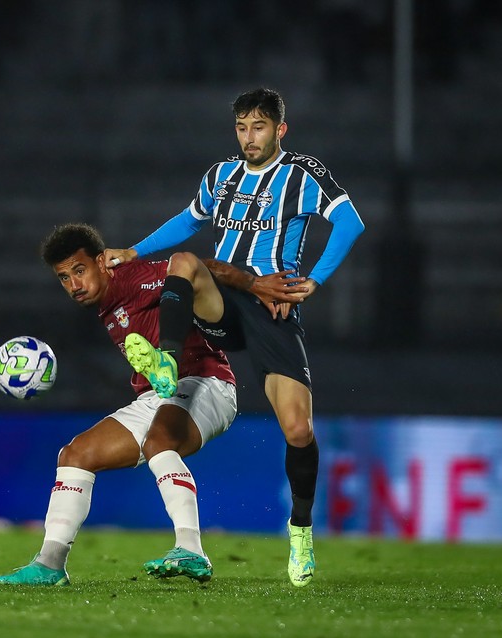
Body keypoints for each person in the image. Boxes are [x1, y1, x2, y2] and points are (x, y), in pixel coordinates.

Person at [105, 87, 366, 587]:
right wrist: (134, 251)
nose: (249, 137)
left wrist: (314, 279)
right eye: (242, 127)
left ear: (280, 130)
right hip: (221, 298)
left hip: (271, 309)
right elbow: (189, 219)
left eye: (259, 127)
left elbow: (350, 222)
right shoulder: (219, 176)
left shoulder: (301, 175)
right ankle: (166, 359)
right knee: (187, 263)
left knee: (298, 430)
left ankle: (302, 530)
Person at [0, 223, 305, 586]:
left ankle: (191, 549)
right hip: (156, 395)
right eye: (64, 278)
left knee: (159, 441)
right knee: (75, 455)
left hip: (207, 382)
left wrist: (254, 284)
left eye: (79, 271)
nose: (74, 285)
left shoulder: (133, 277)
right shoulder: (106, 303)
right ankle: (49, 564)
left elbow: (194, 267)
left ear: (101, 262)